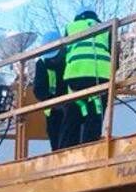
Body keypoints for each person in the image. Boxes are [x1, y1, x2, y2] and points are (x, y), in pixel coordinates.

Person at [58, 9, 113, 149]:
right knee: (96, 110)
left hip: (75, 75)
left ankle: (65, 149)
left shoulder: (71, 27)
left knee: (73, 109)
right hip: (102, 76)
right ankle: (90, 146)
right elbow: (114, 55)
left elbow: (64, 53)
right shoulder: (107, 28)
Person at [32, 30, 65, 151]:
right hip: (54, 113)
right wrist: (55, 104)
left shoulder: (69, 60)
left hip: (73, 109)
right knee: (57, 147)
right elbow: (39, 90)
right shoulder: (42, 64)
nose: (53, 60)